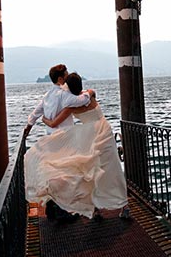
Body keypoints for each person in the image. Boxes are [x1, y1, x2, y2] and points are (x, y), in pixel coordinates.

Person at [25, 72, 130, 220]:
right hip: (103, 130)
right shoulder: (88, 96)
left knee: (92, 172)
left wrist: (44, 119)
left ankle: (97, 208)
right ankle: (122, 205)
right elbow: (92, 93)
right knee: (112, 169)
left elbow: (54, 123)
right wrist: (90, 92)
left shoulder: (72, 105)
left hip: (93, 135)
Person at [25, 64, 91, 222]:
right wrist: (90, 93)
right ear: (61, 78)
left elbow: (36, 113)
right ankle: (62, 210)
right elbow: (81, 100)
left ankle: (52, 207)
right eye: (66, 74)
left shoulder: (48, 95)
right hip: (64, 140)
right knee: (66, 175)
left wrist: (28, 127)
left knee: (53, 175)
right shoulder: (63, 95)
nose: (68, 77)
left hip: (50, 140)